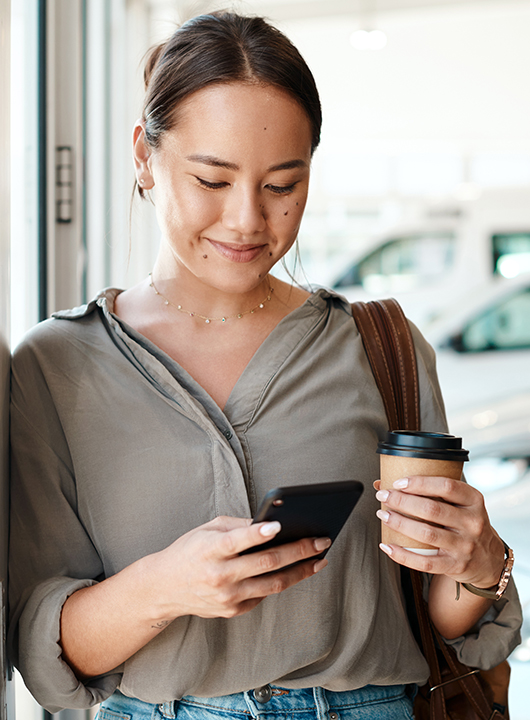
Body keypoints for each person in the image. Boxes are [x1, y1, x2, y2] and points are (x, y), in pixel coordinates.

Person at [8, 11, 521, 720]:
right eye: (212, 180)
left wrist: (477, 561)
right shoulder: (54, 366)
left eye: (283, 185)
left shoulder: (382, 346)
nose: (248, 220)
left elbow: (444, 621)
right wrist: (165, 587)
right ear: (143, 158)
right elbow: (49, 650)